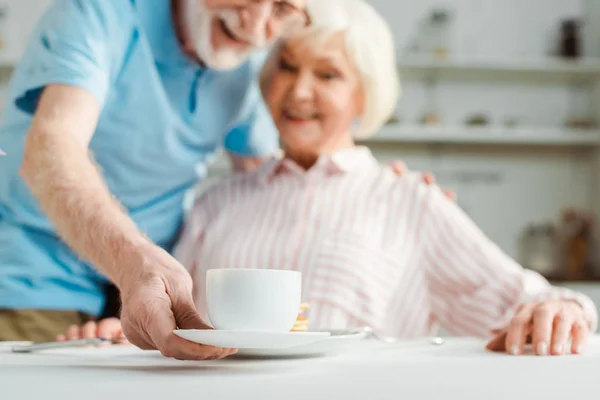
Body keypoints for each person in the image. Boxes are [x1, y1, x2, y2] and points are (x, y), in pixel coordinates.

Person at [64, 0, 597, 357]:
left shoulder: (410, 200)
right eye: (288, 68)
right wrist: (125, 333)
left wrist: (561, 307)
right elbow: (176, 318)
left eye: (327, 75)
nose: (298, 92)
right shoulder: (217, 201)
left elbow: (523, 299)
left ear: (365, 94)